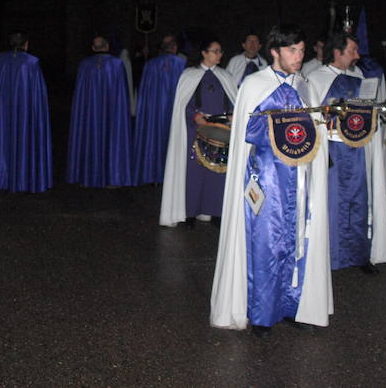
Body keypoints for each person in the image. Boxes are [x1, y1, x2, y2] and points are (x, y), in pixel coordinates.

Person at [210, 24, 333, 336]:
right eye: (292, 50)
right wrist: (282, 126)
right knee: (267, 242)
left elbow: (315, 130)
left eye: (302, 51)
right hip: (267, 177)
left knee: (297, 241)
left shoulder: (305, 86)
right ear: (275, 51)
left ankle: (294, 306)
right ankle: (262, 313)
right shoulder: (255, 84)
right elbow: (247, 132)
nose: (299, 57)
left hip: (301, 178)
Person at [307, 31, 386, 271]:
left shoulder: (358, 77)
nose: (357, 55)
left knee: (359, 201)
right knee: (331, 203)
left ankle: (359, 254)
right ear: (337, 52)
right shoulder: (316, 79)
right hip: (331, 150)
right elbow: (312, 116)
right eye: (352, 50)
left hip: (357, 151)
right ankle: (330, 256)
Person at [159, 38, 237, 227]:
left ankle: (217, 212)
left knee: (219, 172)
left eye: (220, 51)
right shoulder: (189, 75)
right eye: (215, 51)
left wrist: (233, 115)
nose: (220, 54)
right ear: (204, 52)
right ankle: (189, 213)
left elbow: (233, 101)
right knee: (193, 172)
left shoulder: (225, 77)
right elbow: (182, 104)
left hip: (220, 130)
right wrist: (194, 116)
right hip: (195, 131)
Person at [0, 31, 52, 193]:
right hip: (23, 112)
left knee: (0, 136)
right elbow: (38, 94)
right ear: (26, 44)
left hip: (1, 113)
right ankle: (21, 177)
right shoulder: (31, 63)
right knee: (21, 137)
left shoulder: (0, 61)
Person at [66, 35, 133, 187]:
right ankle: (112, 176)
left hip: (90, 114)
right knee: (111, 138)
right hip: (112, 112)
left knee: (91, 137)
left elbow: (80, 96)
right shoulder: (116, 65)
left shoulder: (84, 65)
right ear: (107, 46)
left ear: (93, 48)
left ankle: (88, 175)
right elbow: (122, 94)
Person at [133, 33, 186, 185]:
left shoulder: (150, 65)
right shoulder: (182, 64)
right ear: (175, 48)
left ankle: (152, 175)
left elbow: (144, 92)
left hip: (154, 112)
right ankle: (171, 176)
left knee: (153, 139)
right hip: (173, 110)